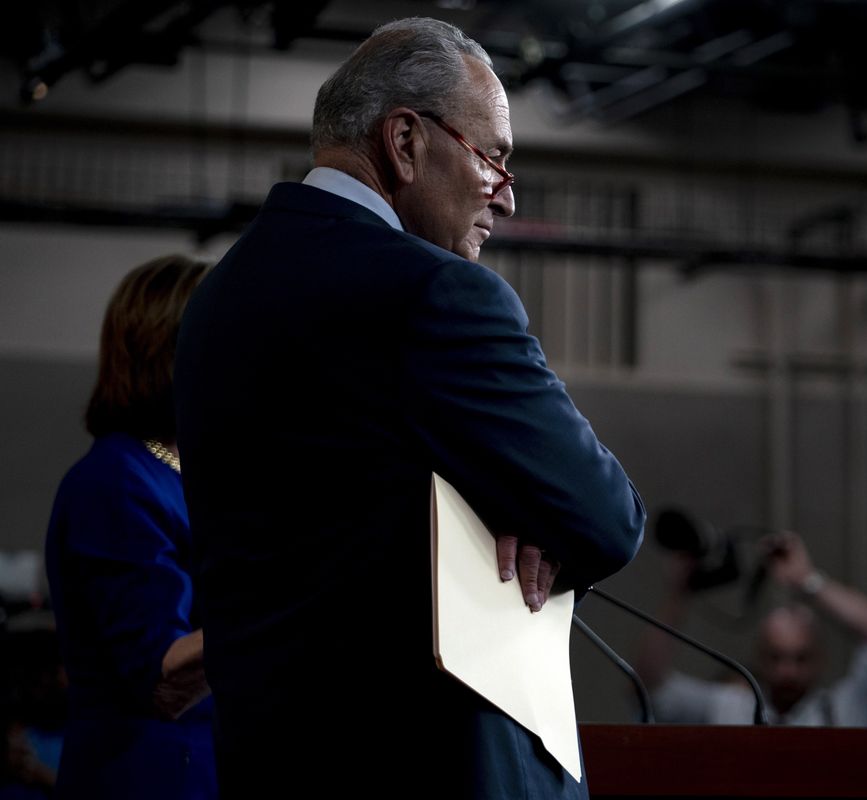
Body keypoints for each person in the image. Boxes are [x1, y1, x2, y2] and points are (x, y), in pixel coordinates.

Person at [173, 17, 645, 799]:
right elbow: (607, 516)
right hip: (430, 764)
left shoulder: (213, 303)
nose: (506, 190)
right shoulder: (435, 294)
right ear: (405, 141)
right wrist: (537, 521)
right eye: (492, 156)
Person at [43, 255, 214, 799]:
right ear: (172, 346)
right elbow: (161, 679)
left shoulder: (179, 471)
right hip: (149, 777)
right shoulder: (117, 480)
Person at [637, 532, 867, 726]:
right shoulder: (730, 708)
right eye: (775, 657)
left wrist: (807, 581)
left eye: (800, 658)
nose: (787, 672)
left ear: (821, 659)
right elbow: (650, 686)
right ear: (758, 657)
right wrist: (678, 594)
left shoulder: (847, 711)